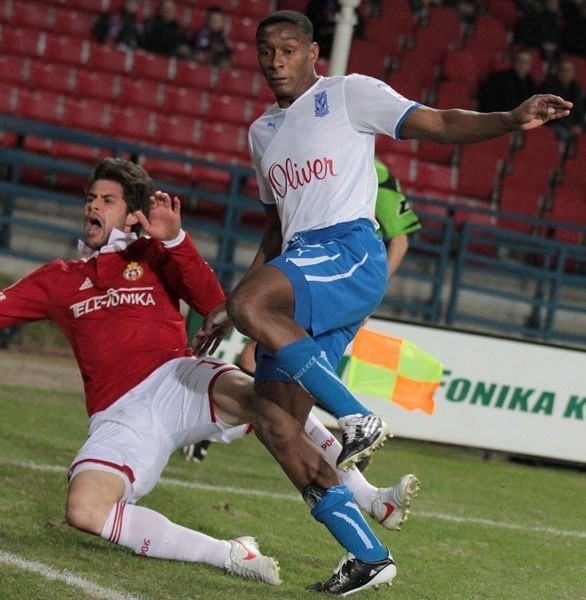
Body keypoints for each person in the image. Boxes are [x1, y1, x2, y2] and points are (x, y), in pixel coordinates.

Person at [194, 10, 572, 595]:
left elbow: (441, 122)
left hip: (349, 250)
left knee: (253, 313)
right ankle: (368, 555)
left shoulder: (350, 95)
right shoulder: (261, 133)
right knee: (274, 422)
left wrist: (510, 118)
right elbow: (275, 230)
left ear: (314, 53)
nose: (276, 62)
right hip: (298, 269)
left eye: (288, 50)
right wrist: (234, 300)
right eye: (266, 51)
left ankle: (357, 417)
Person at [0, 158, 280, 585]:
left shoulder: (153, 254)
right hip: (120, 416)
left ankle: (360, 490)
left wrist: (177, 241)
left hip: (174, 383)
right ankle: (230, 554)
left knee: (264, 395)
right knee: (83, 510)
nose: (93, 206)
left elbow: (213, 303)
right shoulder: (59, 280)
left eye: (107, 200)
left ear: (133, 215)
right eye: (91, 198)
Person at [477, 48, 538, 113]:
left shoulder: (531, 85)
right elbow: (486, 100)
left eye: (525, 62)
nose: (522, 65)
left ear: (530, 65)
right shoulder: (499, 78)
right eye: (519, 61)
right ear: (513, 62)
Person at [538, 57, 585, 141]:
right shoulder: (549, 86)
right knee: (564, 134)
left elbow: (580, 111)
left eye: (569, 70)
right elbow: (552, 111)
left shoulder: (576, 88)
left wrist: (578, 125)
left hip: (571, 126)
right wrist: (570, 127)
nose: (566, 73)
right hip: (553, 123)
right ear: (558, 71)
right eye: (564, 70)